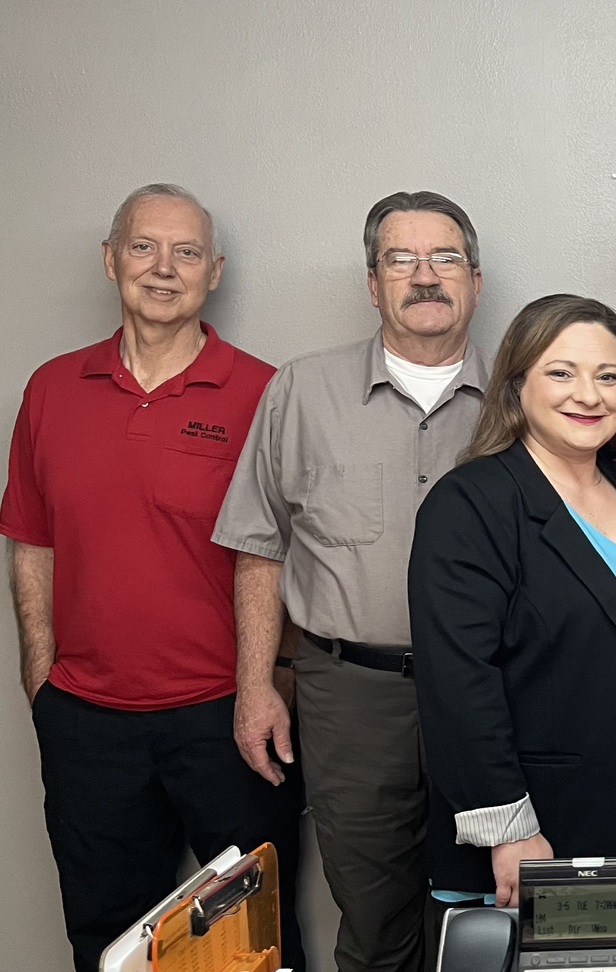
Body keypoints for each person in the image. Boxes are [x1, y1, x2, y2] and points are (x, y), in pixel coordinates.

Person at [2, 183, 304, 972]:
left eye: (187, 252)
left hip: (228, 721)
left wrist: (264, 682)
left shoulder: (264, 392)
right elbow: (32, 541)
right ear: (111, 261)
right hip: (87, 723)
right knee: (106, 942)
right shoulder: (50, 389)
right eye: (144, 247)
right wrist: (41, 674)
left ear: (214, 273)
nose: (163, 268)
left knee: (259, 947)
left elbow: (277, 551)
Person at [214, 191, 492, 972]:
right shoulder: (302, 391)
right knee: (372, 917)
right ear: (372, 283)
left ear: (475, 277)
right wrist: (256, 685)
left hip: (492, 691)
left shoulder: (527, 392)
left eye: (444, 258)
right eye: (400, 259)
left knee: (497, 908)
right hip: (351, 697)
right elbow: (259, 546)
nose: (424, 276)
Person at [409, 294, 616, 971]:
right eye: (562, 373)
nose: (589, 394)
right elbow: (458, 681)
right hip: (554, 831)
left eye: (608, 376)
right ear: (518, 383)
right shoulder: (472, 504)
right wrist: (509, 826)